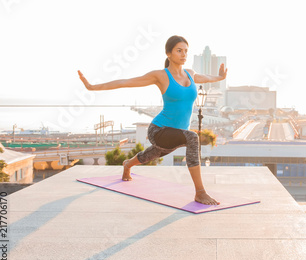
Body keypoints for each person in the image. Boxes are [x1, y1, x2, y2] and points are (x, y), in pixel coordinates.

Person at [78, 35, 227, 205]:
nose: (183, 54)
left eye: (186, 51)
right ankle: (200, 192)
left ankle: (127, 164)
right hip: (159, 130)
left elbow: (206, 77)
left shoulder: (190, 74)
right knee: (192, 138)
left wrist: (219, 77)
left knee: (151, 154)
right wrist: (91, 87)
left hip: (175, 134)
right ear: (168, 53)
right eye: (179, 50)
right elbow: (126, 82)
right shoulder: (160, 76)